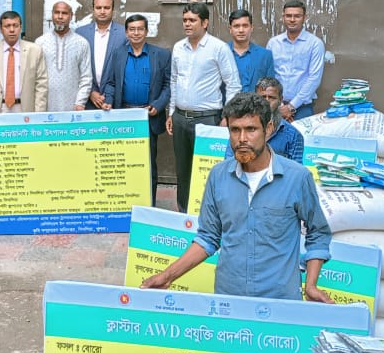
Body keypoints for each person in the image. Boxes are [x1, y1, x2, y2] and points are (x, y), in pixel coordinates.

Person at [142, 93, 333, 302]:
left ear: (268, 129)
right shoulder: (218, 176)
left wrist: (311, 285)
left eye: (251, 129)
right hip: (229, 300)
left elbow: (318, 232)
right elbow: (208, 238)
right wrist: (167, 276)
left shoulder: (297, 178)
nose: (242, 138)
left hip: (281, 301)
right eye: (235, 130)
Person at [166, 3, 241, 212]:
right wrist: (171, 112)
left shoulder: (218, 48)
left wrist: (227, 116)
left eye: (192, 20)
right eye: (185, 20)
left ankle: (209, 214)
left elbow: (233, 84)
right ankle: (183, 213)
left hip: (208, 119)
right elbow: (174, 81)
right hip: (181, 117)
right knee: (183, 170)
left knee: (209, 170)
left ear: (205, 22)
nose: (187, 24)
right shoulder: (178, 47)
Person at [103, 14, 170, 205]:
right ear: (126, 32)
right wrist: (108, 100)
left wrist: (158, 105)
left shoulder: (161, 55)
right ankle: (125, 203)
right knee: (124, 164)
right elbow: (111, 83)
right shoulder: (118, 54)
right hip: (124, 117)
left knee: (148, 164)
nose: (136, 33)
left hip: (148, 117)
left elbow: (168, 85)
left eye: (140, 29)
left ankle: (149, 205)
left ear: (147, 31)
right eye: (132, 29)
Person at [0, 11, 48, 121]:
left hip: (25, 110)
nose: (11, 30)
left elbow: (41, 86)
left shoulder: (35, 51)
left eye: (15, 25)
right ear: (1, 29)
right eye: (7, 26)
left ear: (21, 28)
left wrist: (39, 116)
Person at [267, 0, 325, 121]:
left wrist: (291, 107)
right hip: (275, 106)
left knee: (301, 134)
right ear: (283, 17)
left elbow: (314, 78)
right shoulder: (273, 43)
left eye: (297, 16)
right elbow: (269, 76)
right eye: (288, 16)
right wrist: (280, 106)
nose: (292, 20)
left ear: (304, 18)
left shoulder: (315, 44)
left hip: (302, 107)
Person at [34, 1, 92, 112]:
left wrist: (80, 103)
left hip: (73, 107)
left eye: (64, 13)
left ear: (71, 16)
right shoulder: (40, 43)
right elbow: (35, 77)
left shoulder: (82, 43)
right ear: (52, 15)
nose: (60, 17)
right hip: (44, 107)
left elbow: (86, 77)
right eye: (57, 12)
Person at [76, 0, 126, 110]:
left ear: (113, 10)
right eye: (98, 8)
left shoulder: (124, 34)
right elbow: (76, 67)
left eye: (106, 8)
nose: (102, 11)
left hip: (114, 102)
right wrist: (90, 92)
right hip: (86, 101)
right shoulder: (80, 33)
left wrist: (109, 95)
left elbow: (123, 70)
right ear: (93, 9)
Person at [226, 9, 275, 93]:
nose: (241, 30)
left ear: (251, 27)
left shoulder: (265, 55)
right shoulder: (221, 54)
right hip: (228, 101)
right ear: (230, 29)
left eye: (245, 26)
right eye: (236, 26)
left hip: (256, 101)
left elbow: (270, 87)